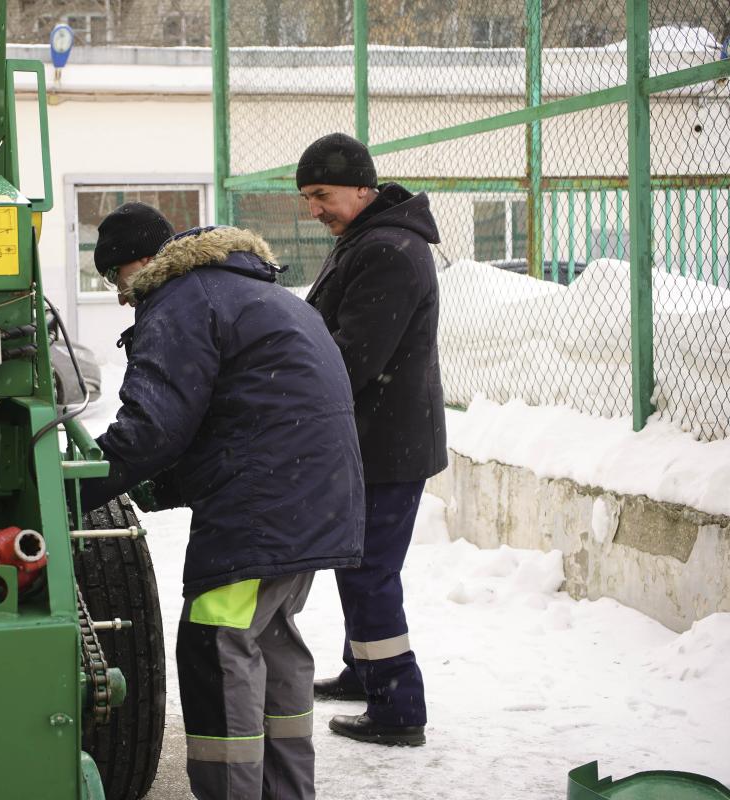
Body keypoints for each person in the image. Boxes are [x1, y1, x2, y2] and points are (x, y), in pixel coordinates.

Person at [79, 201, 365, 800]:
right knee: (273, 643)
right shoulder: (252, 291)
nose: (122, 296)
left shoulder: (182, 300)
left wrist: (72, 488)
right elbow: (241, 415)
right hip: (314, 500)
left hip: (261, 508)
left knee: (216, 646)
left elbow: (154, 427)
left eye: (116, 277)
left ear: (142, 261)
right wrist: (164, 484)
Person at [296, 132, 448, 747]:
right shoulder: (367, 238)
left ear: (362, 187)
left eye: (322, 194)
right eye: (307, 198)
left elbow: (352, 356)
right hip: (375, 439)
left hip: (386, 445)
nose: (314, 209)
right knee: (357, 565)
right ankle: (363, 672)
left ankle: (398, 709)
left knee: (370, 574)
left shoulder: (387, 250)